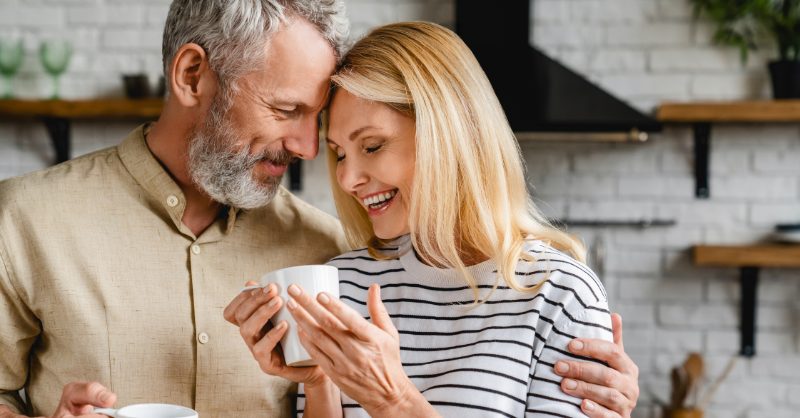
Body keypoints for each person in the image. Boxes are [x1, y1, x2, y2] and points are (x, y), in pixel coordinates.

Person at [224, 21, 638, 418]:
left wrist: (394, 402)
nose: (348, 179)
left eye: (372, 145)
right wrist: (319, 384)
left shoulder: (559, 296)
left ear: (448, 134)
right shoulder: (342, 284)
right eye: (340, 153)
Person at [0, 1, 350, 417]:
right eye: (286, 110)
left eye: (317, 118)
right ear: (191, 75)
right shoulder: (25, 218)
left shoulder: (324, 248)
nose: (308, 147)